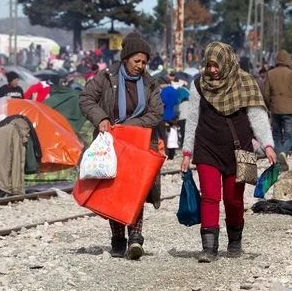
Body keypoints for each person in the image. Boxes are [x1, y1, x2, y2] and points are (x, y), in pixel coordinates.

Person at [181, 42, 276, 263]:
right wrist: (187, 152)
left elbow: (257, 117)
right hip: (207, 148)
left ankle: (234, 241)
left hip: (238, 149)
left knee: (233, 200)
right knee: (210, 196)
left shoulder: (245, 82)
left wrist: (267, 145)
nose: (213, 70)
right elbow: (192, 120)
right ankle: (209, 248)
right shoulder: (198, 86)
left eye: (216, 65)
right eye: (209, 65)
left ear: (226, 62)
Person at [79, 32, 163, 260]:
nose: (141, 66)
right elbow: (86, 98)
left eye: (144, 62)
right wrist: (102, 118)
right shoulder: (106, 77)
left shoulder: (149, 83)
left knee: (136, 190)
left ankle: (136, 239)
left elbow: (157, 112)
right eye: (137, 61)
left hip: (139, 144)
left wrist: (129, 126)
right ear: (125, 58)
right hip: (112, 144)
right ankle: (118, 240)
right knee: (115, 190)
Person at [264, 50, 292, 171]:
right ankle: (283, 154)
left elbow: (266, 94)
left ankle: (279, 160)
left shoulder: (270, 74)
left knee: (276, 135)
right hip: (289, 110)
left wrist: (269, 106)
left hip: (275, 109)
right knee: (288, 136)